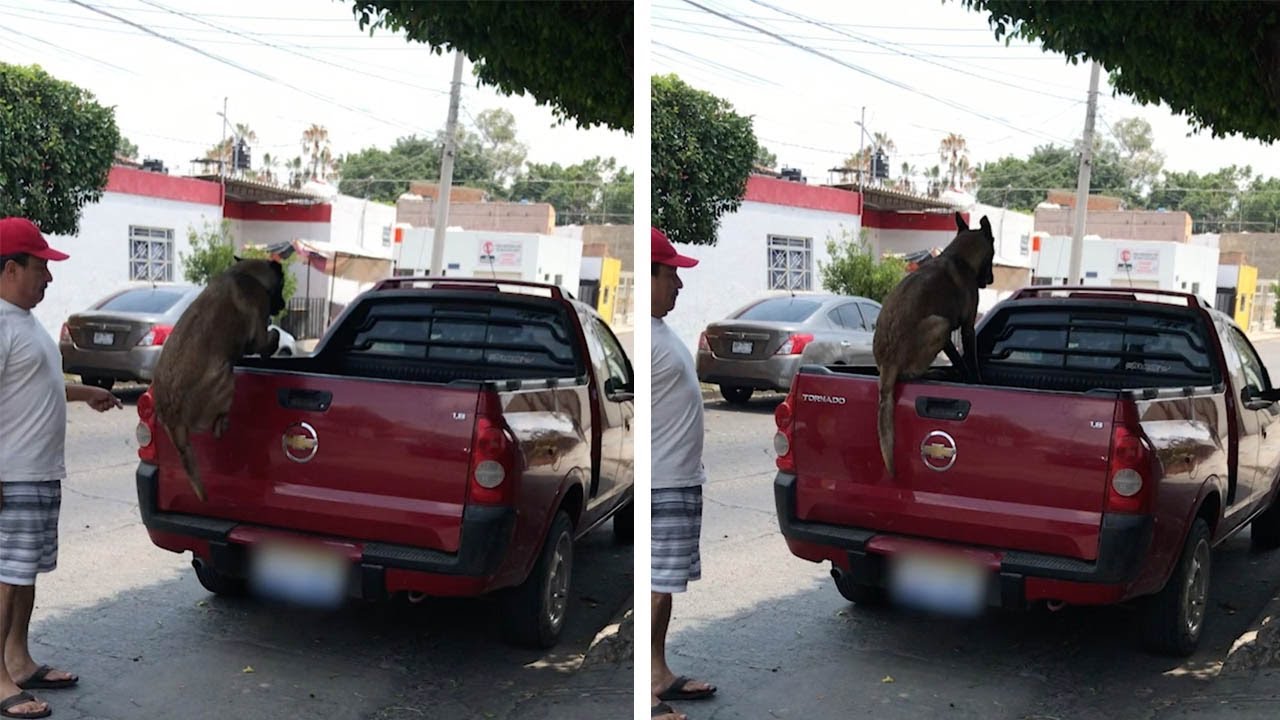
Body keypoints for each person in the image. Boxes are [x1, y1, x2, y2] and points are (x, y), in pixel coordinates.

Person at [0, 217, 123, 719]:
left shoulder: (22, 321)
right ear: (10, 268)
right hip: (12, 473)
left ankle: (18, 659)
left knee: (24, 573)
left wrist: (84, 391)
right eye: (41, 267)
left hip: (39, 472)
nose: (49, 277)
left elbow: (32, 383)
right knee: (6, 577)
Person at [650, 227, 717, 720]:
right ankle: (645, 700)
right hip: (661, 483)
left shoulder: (660, 331)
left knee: (666, 585)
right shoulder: (646, 343)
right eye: (672, 274)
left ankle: (658, 674)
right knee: (655, 587)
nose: (679, 284)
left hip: (679, 479)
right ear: (651, 274)